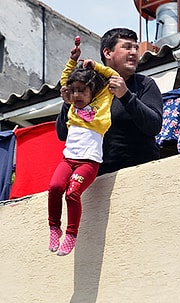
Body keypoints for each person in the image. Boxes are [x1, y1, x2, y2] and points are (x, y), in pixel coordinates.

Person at [56, 28, 163, 175]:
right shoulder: (89, 86)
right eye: (126, 47)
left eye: (136, 48)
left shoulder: (145, 84)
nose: (133, 52)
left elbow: (154, 126)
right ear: (107, 53)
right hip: (96, 180)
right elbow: (63, 133)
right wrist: (69, 103)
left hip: (141, 174)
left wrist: (126, 95)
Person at [49, 41, 119, 256]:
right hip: (68, 159)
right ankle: (54, 228)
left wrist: (95, 66)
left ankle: (71, 234)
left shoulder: (103, 101)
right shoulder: (71, 105)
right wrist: (73, 59)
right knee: (54, 187)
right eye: (74, 91)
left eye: (82, 91)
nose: (77, 95)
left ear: (92, 91)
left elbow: (114, 76)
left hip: (89, 162)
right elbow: (65, 80)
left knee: (72, 193)